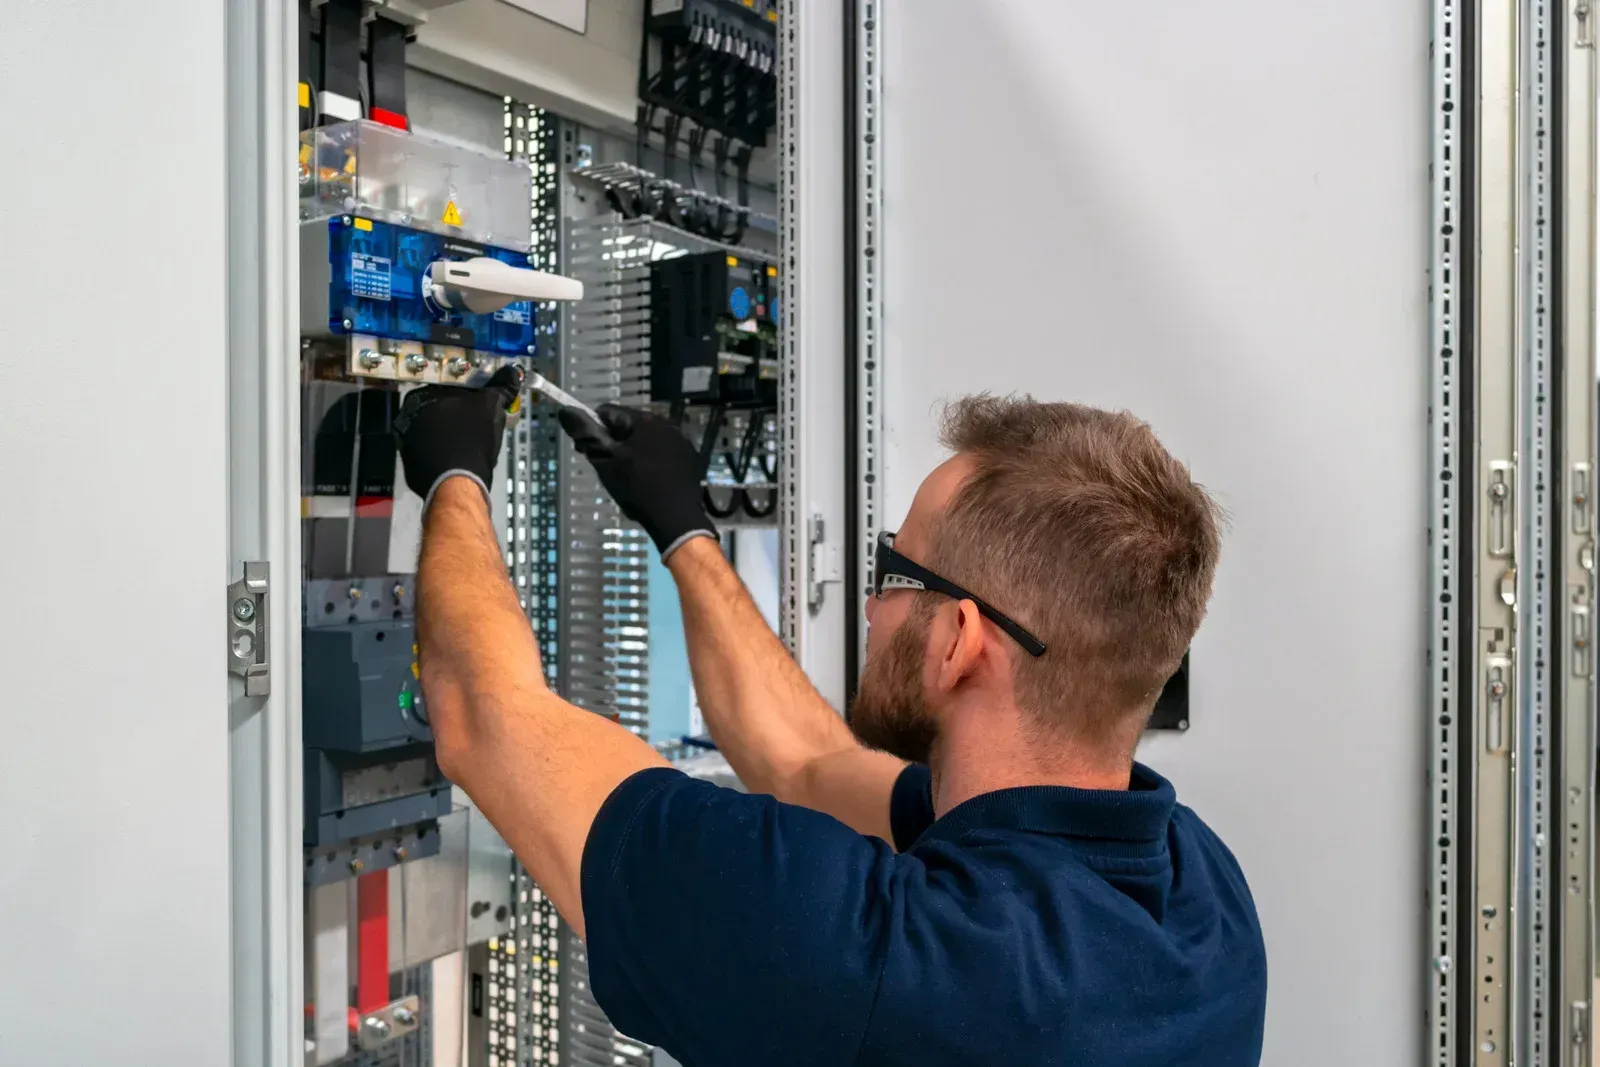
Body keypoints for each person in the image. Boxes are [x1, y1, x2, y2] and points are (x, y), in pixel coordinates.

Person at [394, 371, 1267, 1066]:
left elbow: (482, 714)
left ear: (959, 642)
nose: (873, 606)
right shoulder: (1204, 896)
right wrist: (682, 528)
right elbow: (805, 762)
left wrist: (455, 475)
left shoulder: (883, 963)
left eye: (896, 568)